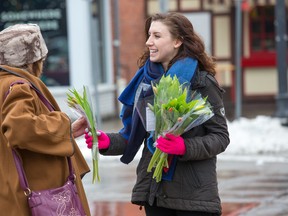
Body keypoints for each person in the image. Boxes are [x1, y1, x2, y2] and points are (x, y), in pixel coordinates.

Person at [86, 12, 230, 216]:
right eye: (148, 35)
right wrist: (107, 142)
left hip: (194, 199)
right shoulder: (146, 82)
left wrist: (184, 147)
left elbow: (221, 137)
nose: (148, 42)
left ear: (178, 41)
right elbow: (135, 134)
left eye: (156, 36)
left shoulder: (202, 82)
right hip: (155, 193)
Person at [0, 23, 91, 215]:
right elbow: (19, 128)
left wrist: (68, 132)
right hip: (34, 196)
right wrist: (62, 124)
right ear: (33, 60)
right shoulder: (19, 86)